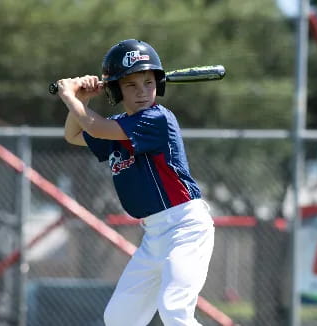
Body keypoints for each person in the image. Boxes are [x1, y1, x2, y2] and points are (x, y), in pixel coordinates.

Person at [55, 39, 214, 326]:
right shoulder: (118, 126)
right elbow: (73, 135)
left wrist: (71, 96)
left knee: (174, 309)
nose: (142, 92)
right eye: (131, 85)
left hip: (185, 228)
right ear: (116, 89)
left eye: (148, 82)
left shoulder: (156, 119)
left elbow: (93, 126)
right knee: (119, 317)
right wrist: (84, 99)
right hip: (154, 236)